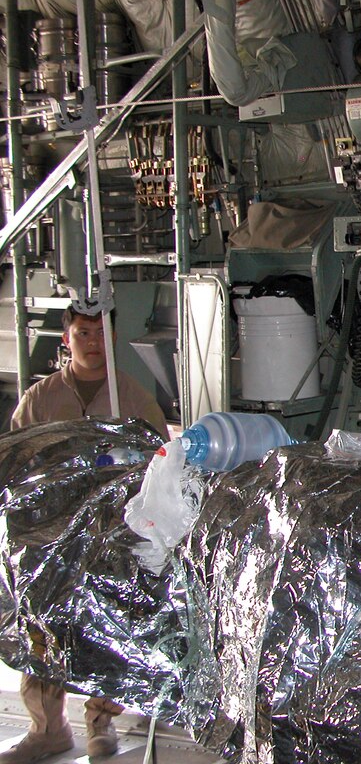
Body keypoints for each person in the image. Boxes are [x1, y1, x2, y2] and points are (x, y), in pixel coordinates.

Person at [4, 305, 168, 764]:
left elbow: (158, 466)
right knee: (41, 631)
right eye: (82, 333)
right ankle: (47, 729)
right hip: (49, 540)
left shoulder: (133, 399)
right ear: (66, 339)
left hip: (105, 538)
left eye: (100, 332)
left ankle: (101, 724)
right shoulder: (40, 400)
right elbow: (18, 465)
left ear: (112, 339)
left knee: (102, 630)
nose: (91, 342)